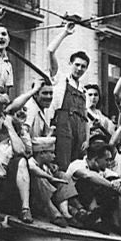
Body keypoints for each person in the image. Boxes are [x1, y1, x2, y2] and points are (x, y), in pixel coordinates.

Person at [47, 23, 87, 166]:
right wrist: (65, 33)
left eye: (83, 66)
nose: (79, 69)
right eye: (77, 65)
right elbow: (50, 51)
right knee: (63, 164)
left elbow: (85, 118)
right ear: (70, 64)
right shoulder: (60, 78)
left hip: (79, 131)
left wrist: (86, 139)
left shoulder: (83, 89)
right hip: (63, 126)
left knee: (76, 166)